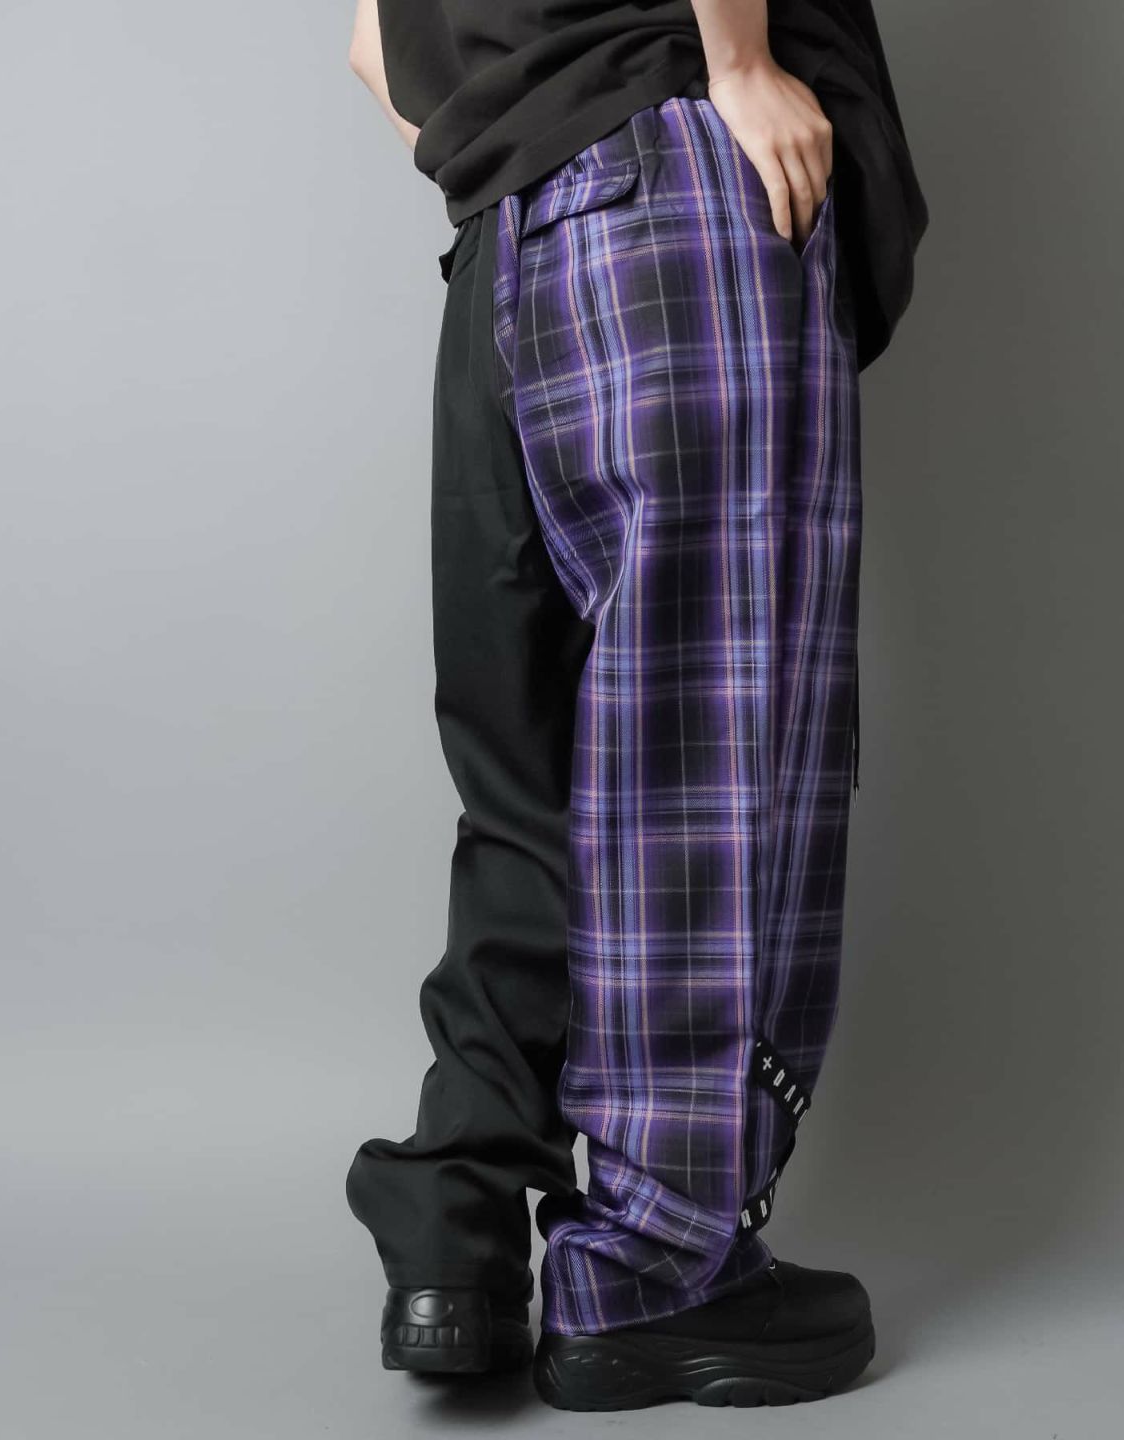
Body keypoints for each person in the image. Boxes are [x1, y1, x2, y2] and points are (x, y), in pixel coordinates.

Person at [344, 0, 928, 1412]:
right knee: (702, 762)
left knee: (532, 783)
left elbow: (374, 44)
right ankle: (659, 1273)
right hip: (678, 179)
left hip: (508, 232)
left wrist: (520, 126)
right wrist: (741, 63)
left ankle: (457, 1247)